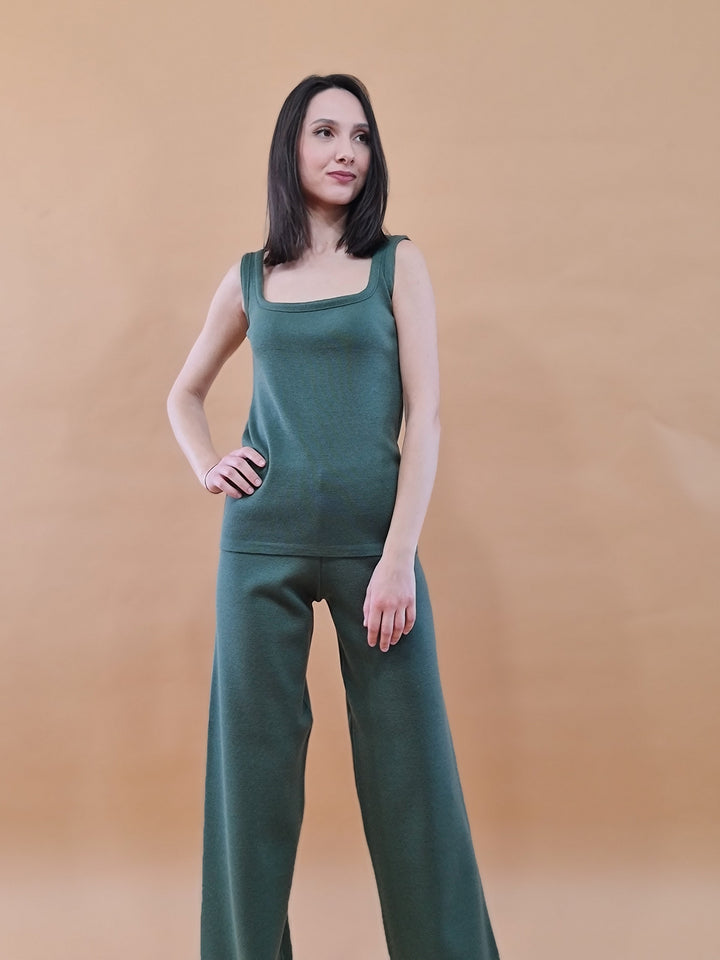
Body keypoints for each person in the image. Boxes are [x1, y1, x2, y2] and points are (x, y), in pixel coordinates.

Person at [167, 73, 501, 960]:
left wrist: (399, 558)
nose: (346, 150)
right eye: (325, 132)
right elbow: (184, 393)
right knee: (252, 783)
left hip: (371, 550)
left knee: (410, 775)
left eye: (359, 136)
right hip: (259, 545)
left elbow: (422, 415)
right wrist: (209, 462)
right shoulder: (250, 278)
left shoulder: (397, 263)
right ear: (292, 148)